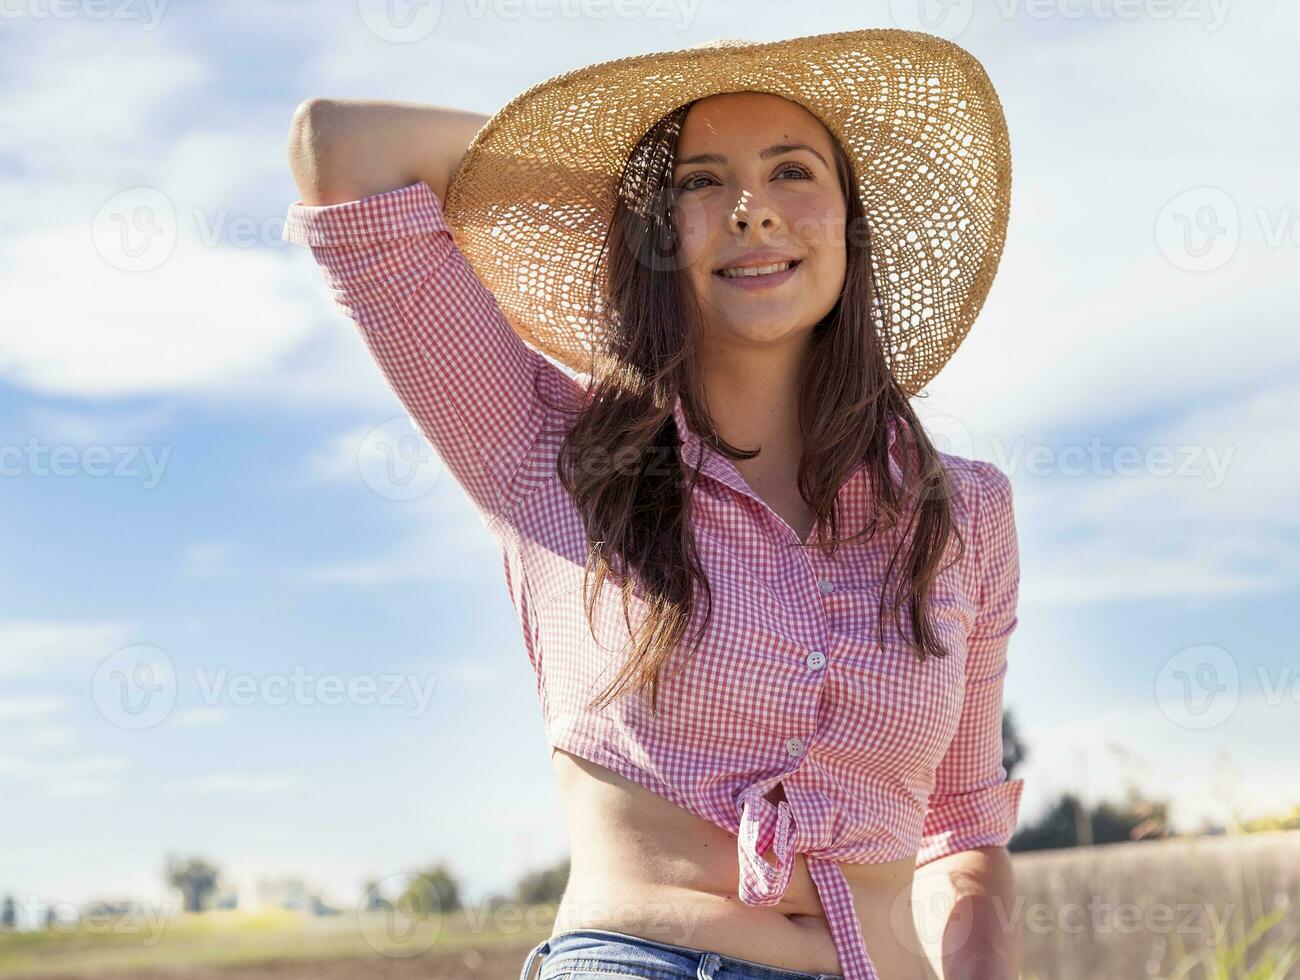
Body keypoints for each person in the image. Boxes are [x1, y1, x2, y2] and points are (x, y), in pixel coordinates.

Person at [283, 29, 1022, 980]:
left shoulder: (962, 511)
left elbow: (963, 825)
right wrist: (621, 200)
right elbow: (339, 150)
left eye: (792, 173)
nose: (753, 214)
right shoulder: (541, 445)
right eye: (702, 183)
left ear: (853, 225)